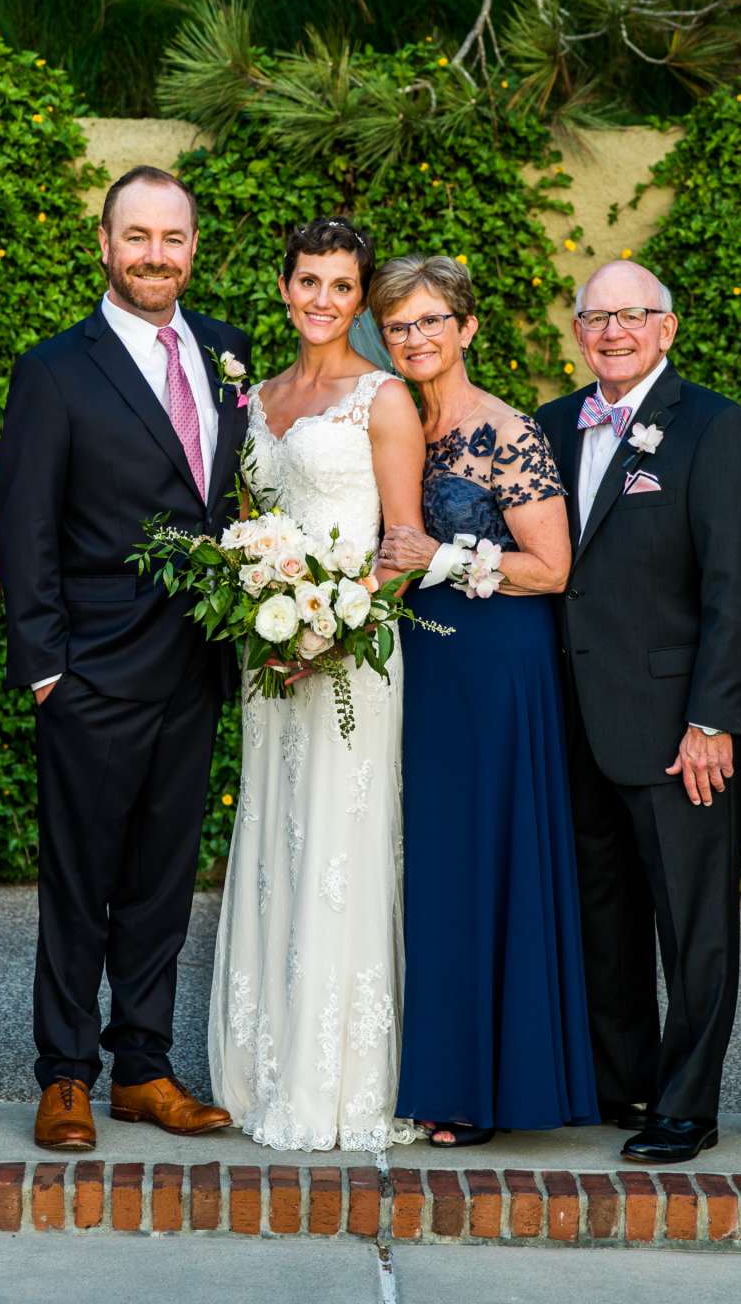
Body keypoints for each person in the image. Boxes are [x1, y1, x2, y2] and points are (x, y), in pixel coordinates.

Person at [0, 165, 251, 1151]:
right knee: (78, 880)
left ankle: (143, 1066)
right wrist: (48, 667)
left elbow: (234, 502)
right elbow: (29, 527)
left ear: (194, 248)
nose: (154, 254)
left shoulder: (229, 352)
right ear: (104, 245)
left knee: (161, 878)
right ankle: (64, 1074)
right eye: (135, 236)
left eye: (172, 237)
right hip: (92, 672)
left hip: (196, 669)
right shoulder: (57, 368)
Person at [537, 260, 741, 1166]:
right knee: (603, 915)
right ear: (580, 331)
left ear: (666, 329)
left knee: (692, 923)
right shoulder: (553, 426)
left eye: (632, 316)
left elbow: (737, 586)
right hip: (576, 724)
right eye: (596, 317)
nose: (613, 332)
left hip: (680, 727)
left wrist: (715, 718)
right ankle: (617, 1075)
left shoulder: (715, 429)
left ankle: (687, 1102)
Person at [205, 218, 425, 1152]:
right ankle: (265, 1067)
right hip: (271, 661)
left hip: (349, 660)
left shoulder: (384, 400)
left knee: (339, 842)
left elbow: (405, 548)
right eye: (308, 282)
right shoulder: (257, 398)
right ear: (285, 286)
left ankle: (338, 1083)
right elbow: (253, 522)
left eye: (341, 286)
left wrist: (335, 626)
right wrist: (261, 598)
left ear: (360, 297)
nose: (322, 300)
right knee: (276, 833)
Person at [374, 256, 596, 1146]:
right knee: (428, 862)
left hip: (497, 664)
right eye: (399, 326)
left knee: (480, 861)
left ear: (466, 328)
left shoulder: (507, 432)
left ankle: (483, 1087)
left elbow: (552, 568)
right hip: (418, 661)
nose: (416, 338)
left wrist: (439, 559)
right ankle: (426, 1065)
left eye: (432, 321)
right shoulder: (389, 419)